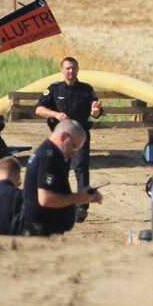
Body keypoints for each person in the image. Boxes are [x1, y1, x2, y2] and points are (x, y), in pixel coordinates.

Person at [35, 56, 103, 222]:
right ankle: (60, 204)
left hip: (80, 136)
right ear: (62, 70)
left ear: (78, 69)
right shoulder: (54, 89)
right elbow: (39, 109)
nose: (71, 71)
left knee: (80, 168)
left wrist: (95, 111)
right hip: (60, 138)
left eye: (73, 68)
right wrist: (56, 114)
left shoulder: (86, 90)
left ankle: (82, 207)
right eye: (68, 68)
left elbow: (96, 112)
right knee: (59, 170)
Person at [20, 120, 103, 236]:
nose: (73, 153)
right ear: (63, 136)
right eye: (73, 147)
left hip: (44, 229)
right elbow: (46, 199)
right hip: (40, 231)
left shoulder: (53, 154)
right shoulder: (49, 158)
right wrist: (78, 198)